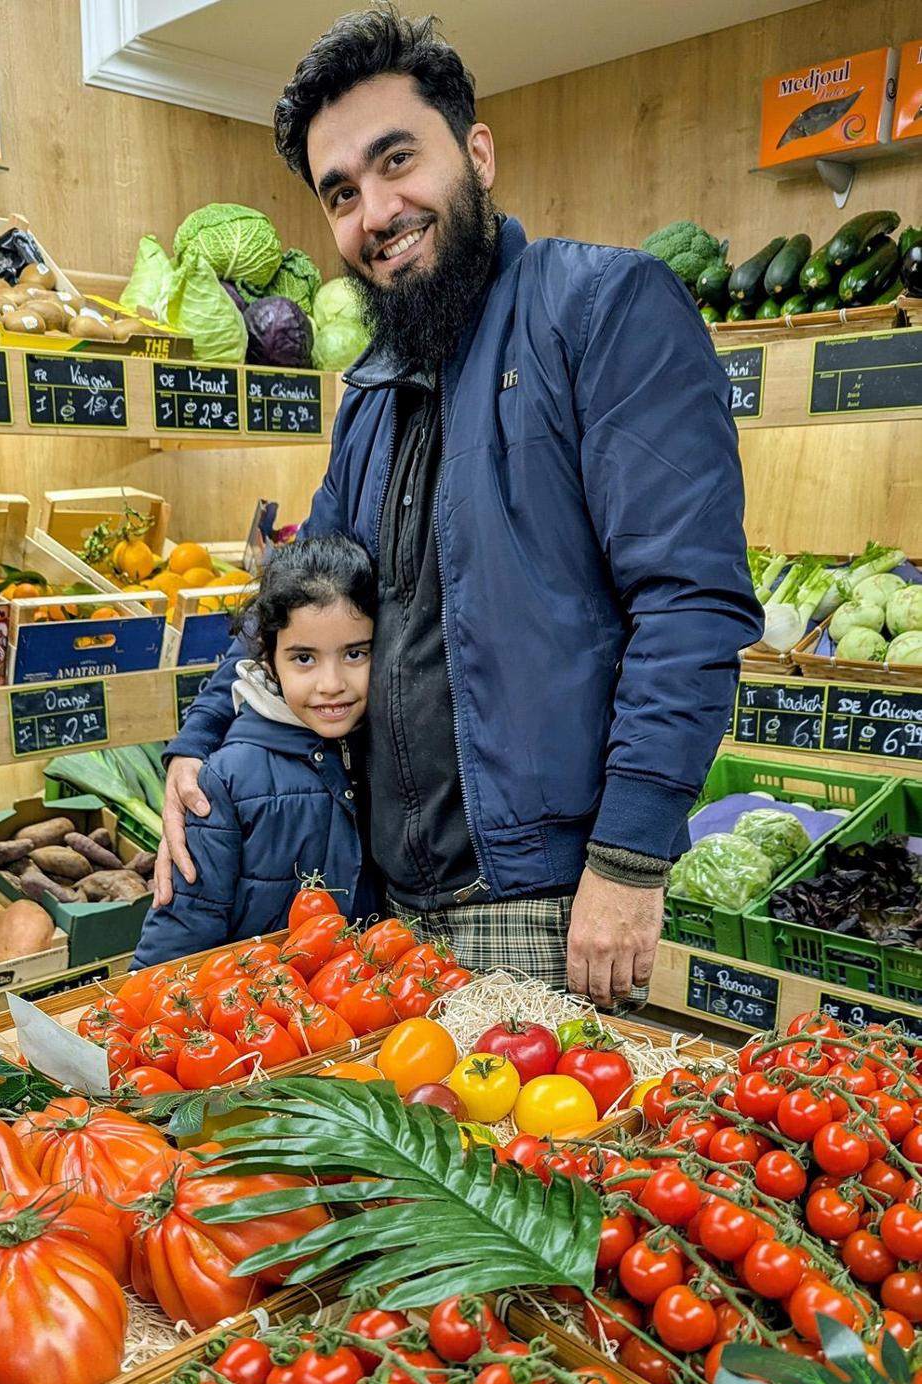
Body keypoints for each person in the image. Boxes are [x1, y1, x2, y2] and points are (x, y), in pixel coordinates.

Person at [156, 10, 763, 1005]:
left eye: (398, 159)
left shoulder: (603, 309)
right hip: (388, 910)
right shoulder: (373, 392)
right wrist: (198, 739)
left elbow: (687, 603)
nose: (376, 210)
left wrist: (626, 859)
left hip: (549, 903)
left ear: (476, 152)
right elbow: (297, 589)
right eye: (340, 192)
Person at [132, 536, 378, 968]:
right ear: (268, 660)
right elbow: (183, 925)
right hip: (253, 1022)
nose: (331, 682)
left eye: (354, 653)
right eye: (304, 659)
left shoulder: (382, 755)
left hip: (353, 1022)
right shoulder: (226, 779)